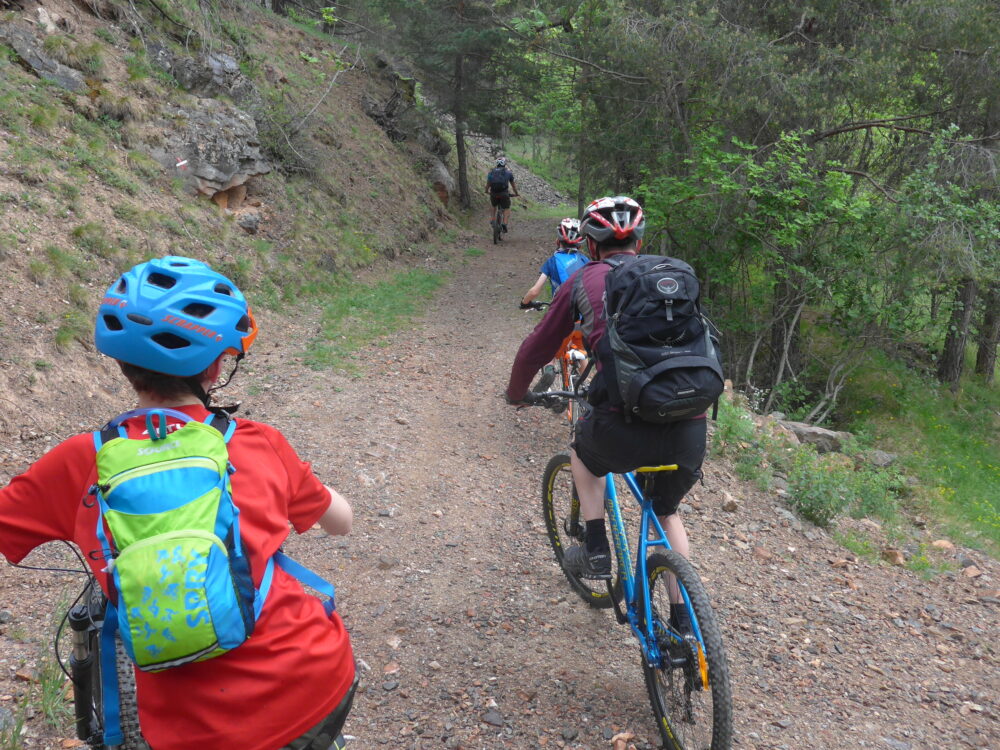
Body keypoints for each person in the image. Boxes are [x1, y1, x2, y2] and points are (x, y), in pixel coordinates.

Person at [0, 257, 357, 750]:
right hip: (311, 683)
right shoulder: (260, 444)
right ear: (215, 366)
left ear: (122, 365)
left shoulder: (80, 461)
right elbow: (340, 521)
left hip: (193, 731)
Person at [506, 197, 706, 628]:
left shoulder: (584, 278)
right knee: (666, 510)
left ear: (591, 245)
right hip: (689, 423)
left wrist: (516, 393)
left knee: (583, 453)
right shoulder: (671, 275)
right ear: (639, 240)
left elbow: (537, 347)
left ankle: (596, 550)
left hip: (623, 424)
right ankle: (685, 622)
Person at [519, 218, 589, 307]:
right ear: (579, 245)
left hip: (560, 312)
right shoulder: (585, 260)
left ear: (558, 241)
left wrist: (524, 303)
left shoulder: (552, 261)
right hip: (584, 312)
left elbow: (534, 291)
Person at [484, 157, 519, 233]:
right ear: (504, 164)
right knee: (507, 208)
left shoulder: (491, 172)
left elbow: (488, 185)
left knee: (493, 206)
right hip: (504, 194)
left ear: (497, 164)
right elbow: (513, 186)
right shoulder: (508, 173)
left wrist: (486, 191)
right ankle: (504, 223)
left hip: (493, 193)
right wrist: (516, 193)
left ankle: (493, 219)